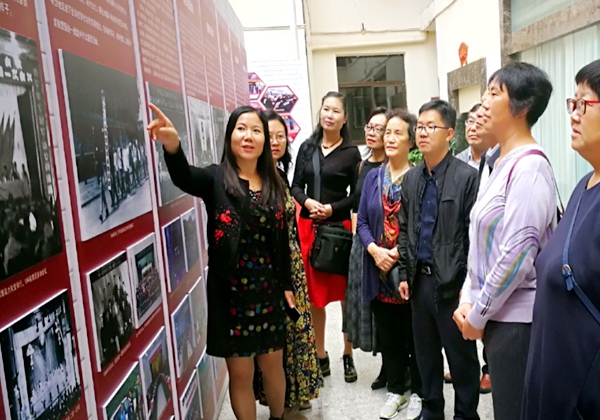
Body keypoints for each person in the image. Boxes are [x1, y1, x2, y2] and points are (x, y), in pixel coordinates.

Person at [148, 103, 294, 420]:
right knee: (240, 373)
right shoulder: (216, 179)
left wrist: (287, 285)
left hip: (268, 291)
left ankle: (278, 417)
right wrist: (173, 146)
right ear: (230, 136)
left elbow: (281, 241)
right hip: (231, 295)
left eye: (256, 130)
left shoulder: (274, 183)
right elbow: (185, 177)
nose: (248, 136)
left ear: (265, 141)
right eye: (241, 128)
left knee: (273, 365)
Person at [454, 62, 557, 420]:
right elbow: (481, 244)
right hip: (498, 316)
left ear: (522, 107)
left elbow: (517, 254)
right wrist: (468, 298)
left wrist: (478, 314)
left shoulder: (530, 168)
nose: (483, 102)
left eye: (494, 93)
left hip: (518, 323)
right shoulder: (498, 162)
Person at [521, 59, 600, 419]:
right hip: (553, 375)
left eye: (584, 103)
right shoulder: (584, 187)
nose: (573, 115)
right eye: (573, 103)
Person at [398, 99, 480, 420]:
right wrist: (404, 274)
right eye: (419, 126)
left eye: (430, 127)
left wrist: (469, 287)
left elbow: (473, 237)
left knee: (461, 358)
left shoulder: (467, 178)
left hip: (453, 285)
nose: (422, 132)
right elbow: (404, 229)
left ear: (449, 134)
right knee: (426, 355)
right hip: (419, 281)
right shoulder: (411, 179)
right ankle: (432, 411)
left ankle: (465, 415)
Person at [253, 110, 323, 411]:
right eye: (269, 136)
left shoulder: (280, 174)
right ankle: (279, 397)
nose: (276, 141)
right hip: (272, 266)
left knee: (297, 326)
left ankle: (295, 393)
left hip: (292, 263)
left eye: (281, 136)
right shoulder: (256, 179)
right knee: (280, 333)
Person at [357, 109, 423, 420]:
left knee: (416, 337)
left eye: (398, 133)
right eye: (388, 133)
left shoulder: (420, 177)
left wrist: (395, 252)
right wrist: (374, 251)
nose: (391, 138)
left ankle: (419, 392)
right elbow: (362, 222)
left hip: (407, 272)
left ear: (411, 140)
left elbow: (422, 226)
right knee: (390, 337)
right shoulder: (373, 176)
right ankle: (396, 391)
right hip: (378, 272)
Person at [291, 91, 361, 382]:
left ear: (345, 118)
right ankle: (320, 354)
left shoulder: (352, 153)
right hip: (310, 230)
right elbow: (295, 187)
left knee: (345, 297)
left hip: (338, 231)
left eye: (336, 111)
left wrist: (331, 208)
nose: (329, 115)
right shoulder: (307, 148)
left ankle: (348, 354)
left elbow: (356, 196)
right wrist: (308, 202)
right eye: (325, 109)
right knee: (314, 298)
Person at [444, 104, 492, 395]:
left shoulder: (496, 162)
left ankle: (489, 368)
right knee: (462, 307)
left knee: (487, 306)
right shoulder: (458, 161)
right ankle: (463, 363)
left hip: (485, 246)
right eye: (469, 122)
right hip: (460, 246)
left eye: (478, 122)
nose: (472, 127)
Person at [344, 107, 389, 389]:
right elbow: (355, 205)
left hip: (386, 248)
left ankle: (396, 365)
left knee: (389, 310)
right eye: (369, 127)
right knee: (372, 310)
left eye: (379, 129)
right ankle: (387, 365)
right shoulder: (361, 166)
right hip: (362, 245)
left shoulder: (394, 167)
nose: (372, 133)